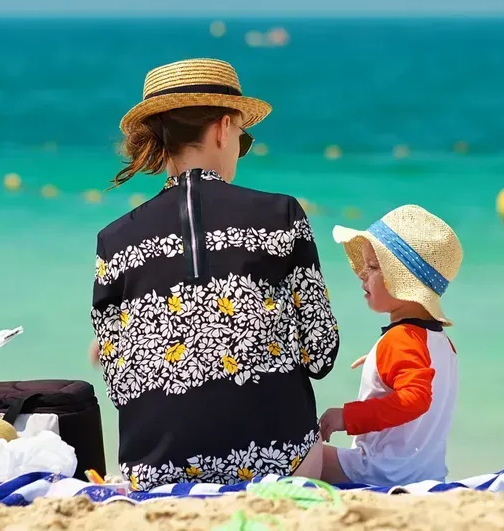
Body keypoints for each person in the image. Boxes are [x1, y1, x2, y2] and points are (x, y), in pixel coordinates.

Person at [90, 58, 339, 490]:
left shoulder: (114, 241)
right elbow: (322, 354)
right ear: (224, 129)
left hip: (153, 472)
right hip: (277, 464)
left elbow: (119, 384)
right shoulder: (281, 214)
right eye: (243, 139)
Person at [317, 205, 462, 486]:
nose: (361, 273)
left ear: (403, 282)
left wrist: (347, 417)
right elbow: (419, 370)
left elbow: (415, 399)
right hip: (427, 473)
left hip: (381, 472)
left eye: (372, 267)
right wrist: (378, 357)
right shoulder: (441, 342)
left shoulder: (402, 339)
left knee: (294, 453)